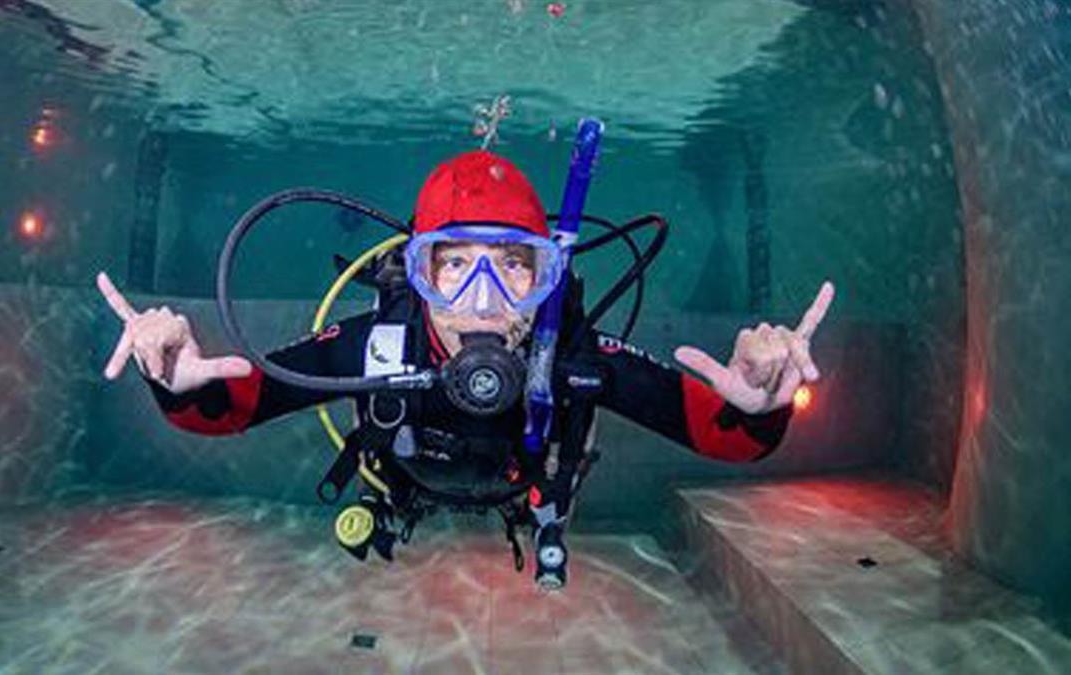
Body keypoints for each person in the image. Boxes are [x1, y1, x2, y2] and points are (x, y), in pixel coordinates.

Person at [97, 149, 834, 591]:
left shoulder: (573, 358)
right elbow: (233, 404)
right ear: (416, 276)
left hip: (528, 497)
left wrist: (762, 402)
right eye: (452, 267)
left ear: (546, 278)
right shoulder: (376, 345)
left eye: (514, 267)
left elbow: (728, 435)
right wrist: (173, 376)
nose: (482, 302)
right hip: (404, 491)